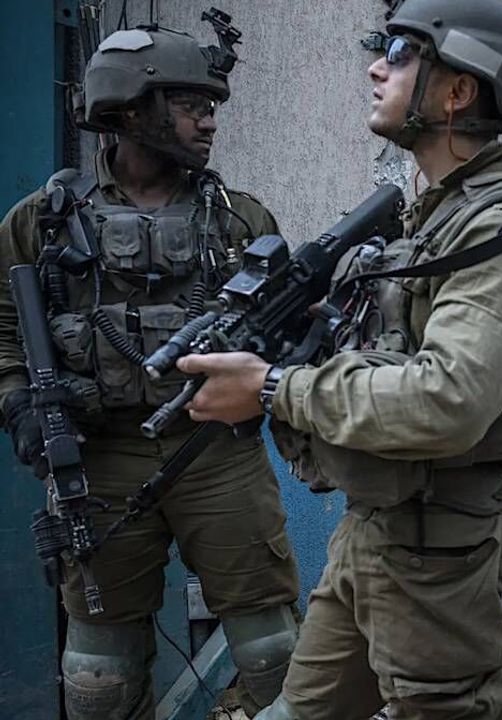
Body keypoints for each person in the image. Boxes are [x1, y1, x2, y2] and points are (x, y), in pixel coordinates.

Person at [180, 1, 502, 716]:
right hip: (373, 528)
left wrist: (275, 387)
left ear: (458, 90)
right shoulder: (433, 218)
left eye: (402, 53)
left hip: (438, 555)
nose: (377, 68)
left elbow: (448, 401)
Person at [0, 23, 299, 718]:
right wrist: (19, 406)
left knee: (273, 649)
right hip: (98, 459)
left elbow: (286, 333)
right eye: (192, 105)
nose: (210, 122)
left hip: (217, 453)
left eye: (210, 106)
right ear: (131, 110)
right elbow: (4, 331)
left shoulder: (239, 220)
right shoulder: (41, 222)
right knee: (98, 670)